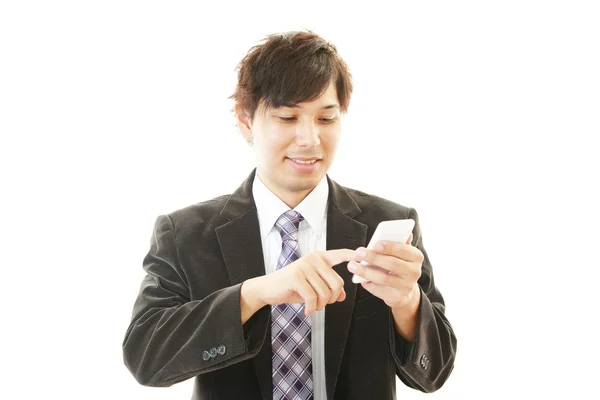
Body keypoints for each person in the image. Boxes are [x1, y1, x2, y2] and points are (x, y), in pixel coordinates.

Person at [122, 30, 457, 400]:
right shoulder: (184, 233)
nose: (309, 139)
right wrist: (256, 294)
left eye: (326, 119)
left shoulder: (385, 225)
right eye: (287, 117)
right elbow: (146, 357)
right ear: (245, 119)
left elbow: (435, 373)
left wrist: (407, 302)